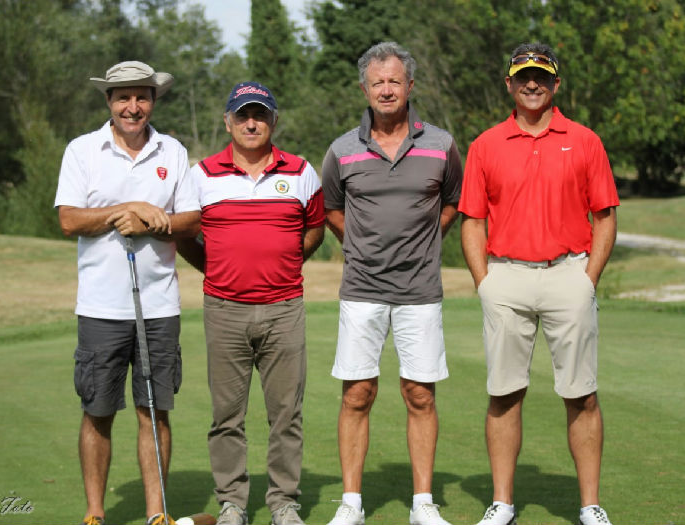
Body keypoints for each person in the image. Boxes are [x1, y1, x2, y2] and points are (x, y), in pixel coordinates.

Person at [458, 43, 619, 525]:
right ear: (509, 83)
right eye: (524, 76)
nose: (533, 84)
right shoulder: (486, 145)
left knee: (581, 394)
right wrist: (485, 282)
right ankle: (503, 504)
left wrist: (588, 279)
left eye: (542, 77)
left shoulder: (584, 140)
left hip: (569, 273)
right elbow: (472, 220)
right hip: (505, 277)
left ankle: (590, 506)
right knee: (504, 393)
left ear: (556, 84)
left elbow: (605, 216)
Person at [320, 41, 463, 525]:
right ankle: (352, 504)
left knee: (420, 394)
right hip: (362, 288)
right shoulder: (342, 149)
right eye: (377, 82)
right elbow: (331, 209)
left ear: (410, 86)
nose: (386, 90)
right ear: (364, 89)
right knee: (357, 393)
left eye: (394, 81)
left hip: (419, 290)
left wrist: (427, 239)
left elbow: (453, 201)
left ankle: (423, 504)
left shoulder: (441, 144)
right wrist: (361, 246)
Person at [54, 60, 201, 525]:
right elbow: (69, 219)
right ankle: (95, 513)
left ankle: (157, 513)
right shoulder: (83, 150)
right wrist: (129, 208)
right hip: (101, 307)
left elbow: (191, 220)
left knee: (153, 411)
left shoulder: (172, 151)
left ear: (153, 100)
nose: (132, 106)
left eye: (141, 96)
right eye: (123, 97)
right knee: (97, 410)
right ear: (109, 101)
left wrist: (154, 222)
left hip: (159, 306)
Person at [175, 81, 325, 525]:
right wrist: (216, 269)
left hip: (284, 308)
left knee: (286, 414)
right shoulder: (202, 174)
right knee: (226, 416)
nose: (252, 123)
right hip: (224, 310)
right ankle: (233, 503)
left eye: (260, 115)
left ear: (273, 121)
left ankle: (283, 502)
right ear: (229, 122)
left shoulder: (301, 171)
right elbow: (184, 236)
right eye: (243, 115)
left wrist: (286, 261)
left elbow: (315, 228)